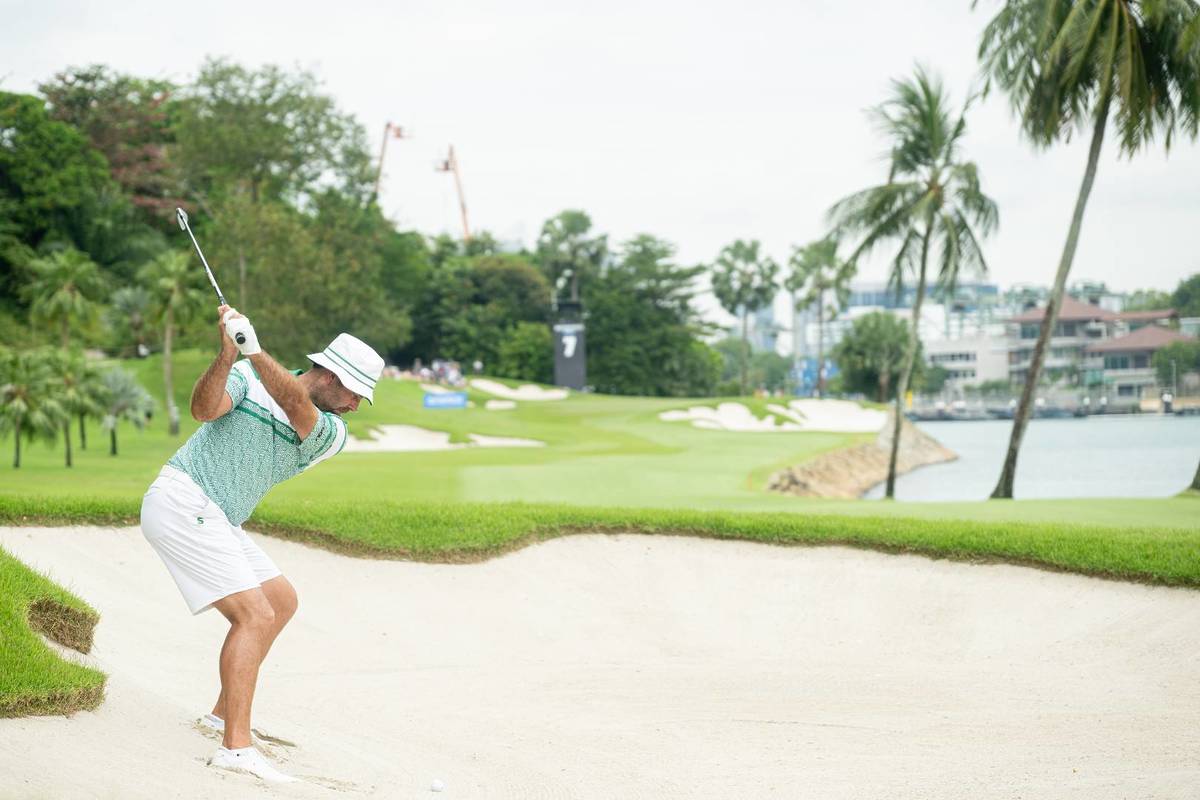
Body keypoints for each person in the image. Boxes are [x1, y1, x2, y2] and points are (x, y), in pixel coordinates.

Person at [139, 305, 383, 783]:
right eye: (356, 394)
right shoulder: (248, 378)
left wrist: (253, 349)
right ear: (332, 377)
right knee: (255, 614)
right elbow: (203, 410)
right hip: (183, 498)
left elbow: (295, 405)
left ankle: (219, 716)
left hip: (218, 517)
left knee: (280, 600)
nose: (357, 406)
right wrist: (229, 355)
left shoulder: (332, 432)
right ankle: (235, 747)